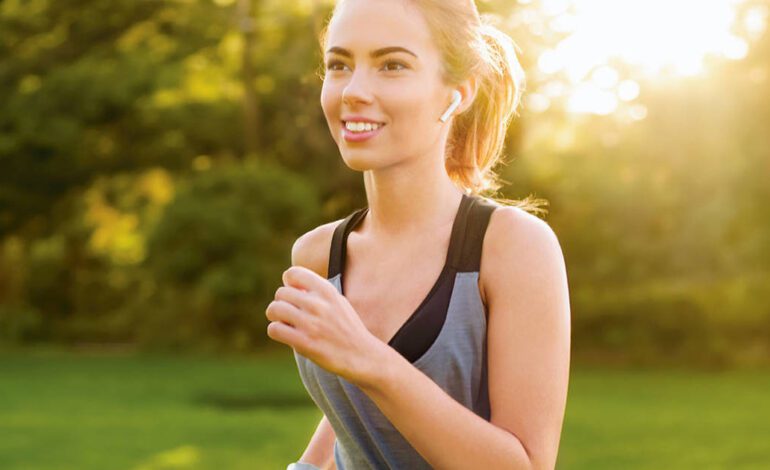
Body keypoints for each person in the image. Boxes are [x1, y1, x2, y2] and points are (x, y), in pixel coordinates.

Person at [265, 0, 571, 468]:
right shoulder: (315, 255)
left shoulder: (513, 248)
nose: (353, 90)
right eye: (339, 65)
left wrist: (370, 360)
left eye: (392, 65)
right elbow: (352, 419)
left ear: (458, 92)